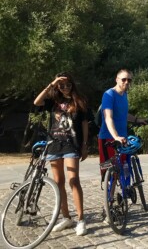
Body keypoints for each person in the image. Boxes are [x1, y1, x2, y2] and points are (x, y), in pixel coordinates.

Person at [33, 72, 89, 236]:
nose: (65, 88)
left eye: (68, 84)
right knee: (59, 183)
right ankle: (66, 217)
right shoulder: (52, 101)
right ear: (57, 86)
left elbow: (85, 123)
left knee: (74, 180)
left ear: (73, 85)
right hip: (54, 145)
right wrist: (52, 83)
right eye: (62, 85)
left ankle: (81, 219)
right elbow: (37, 101)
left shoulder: (79, 101)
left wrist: (85, 145)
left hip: (71, 145)